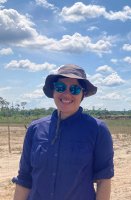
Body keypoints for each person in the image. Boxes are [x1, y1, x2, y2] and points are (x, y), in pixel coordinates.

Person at [12, 64, 114, 200]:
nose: (67, 94)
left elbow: (103, 180)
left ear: (83, 94)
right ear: (53, 91)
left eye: (74, 89)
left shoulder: (97, 129)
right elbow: (24, 178)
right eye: (60, 88)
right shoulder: (35, 129)